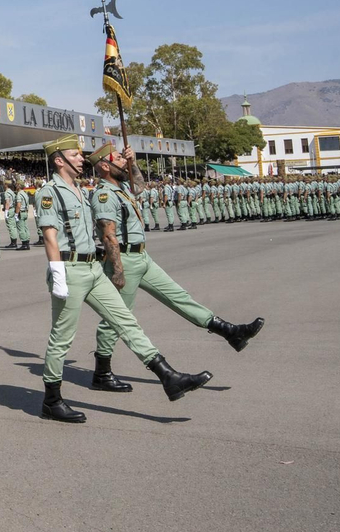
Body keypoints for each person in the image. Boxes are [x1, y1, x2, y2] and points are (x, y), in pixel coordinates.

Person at [35, 135, 212, 423]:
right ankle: (51, 400)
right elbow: (50, 237)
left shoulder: (80, 189)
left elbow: (135, 187)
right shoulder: (49, 192)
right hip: (69, 270)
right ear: (59, 160)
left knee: (125, 321)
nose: (82, 159)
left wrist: (131, 163)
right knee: (62, 338)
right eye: (75, 155)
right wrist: (57, 275)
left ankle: (167, 376)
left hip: (93, 268)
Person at [86, 143, 265, 391]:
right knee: (117, 319)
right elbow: (108, 236)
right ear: (105, 166)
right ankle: (102, 373)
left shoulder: (122, 188)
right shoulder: (104, 194)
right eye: (118, 158)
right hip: (123, 261)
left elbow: (140, 186)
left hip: (141, 257)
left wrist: (133, 163)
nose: (122, 160)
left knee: (178, 296)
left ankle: (229, 331)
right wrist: (117, 271)